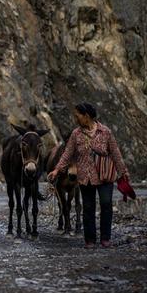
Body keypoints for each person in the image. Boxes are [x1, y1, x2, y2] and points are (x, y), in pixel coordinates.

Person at [47, 103, 130, 249]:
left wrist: (123, 171)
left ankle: (105, 238)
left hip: (104, 176)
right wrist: (57, 170)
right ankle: (90, 240)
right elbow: (67, 154)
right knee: (88, 208)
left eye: (77, 115)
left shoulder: (106, 132)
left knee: (106, 205)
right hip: (86, 176)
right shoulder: (76, 134)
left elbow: (115, 153)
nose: (75, 118)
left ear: (86, 116)